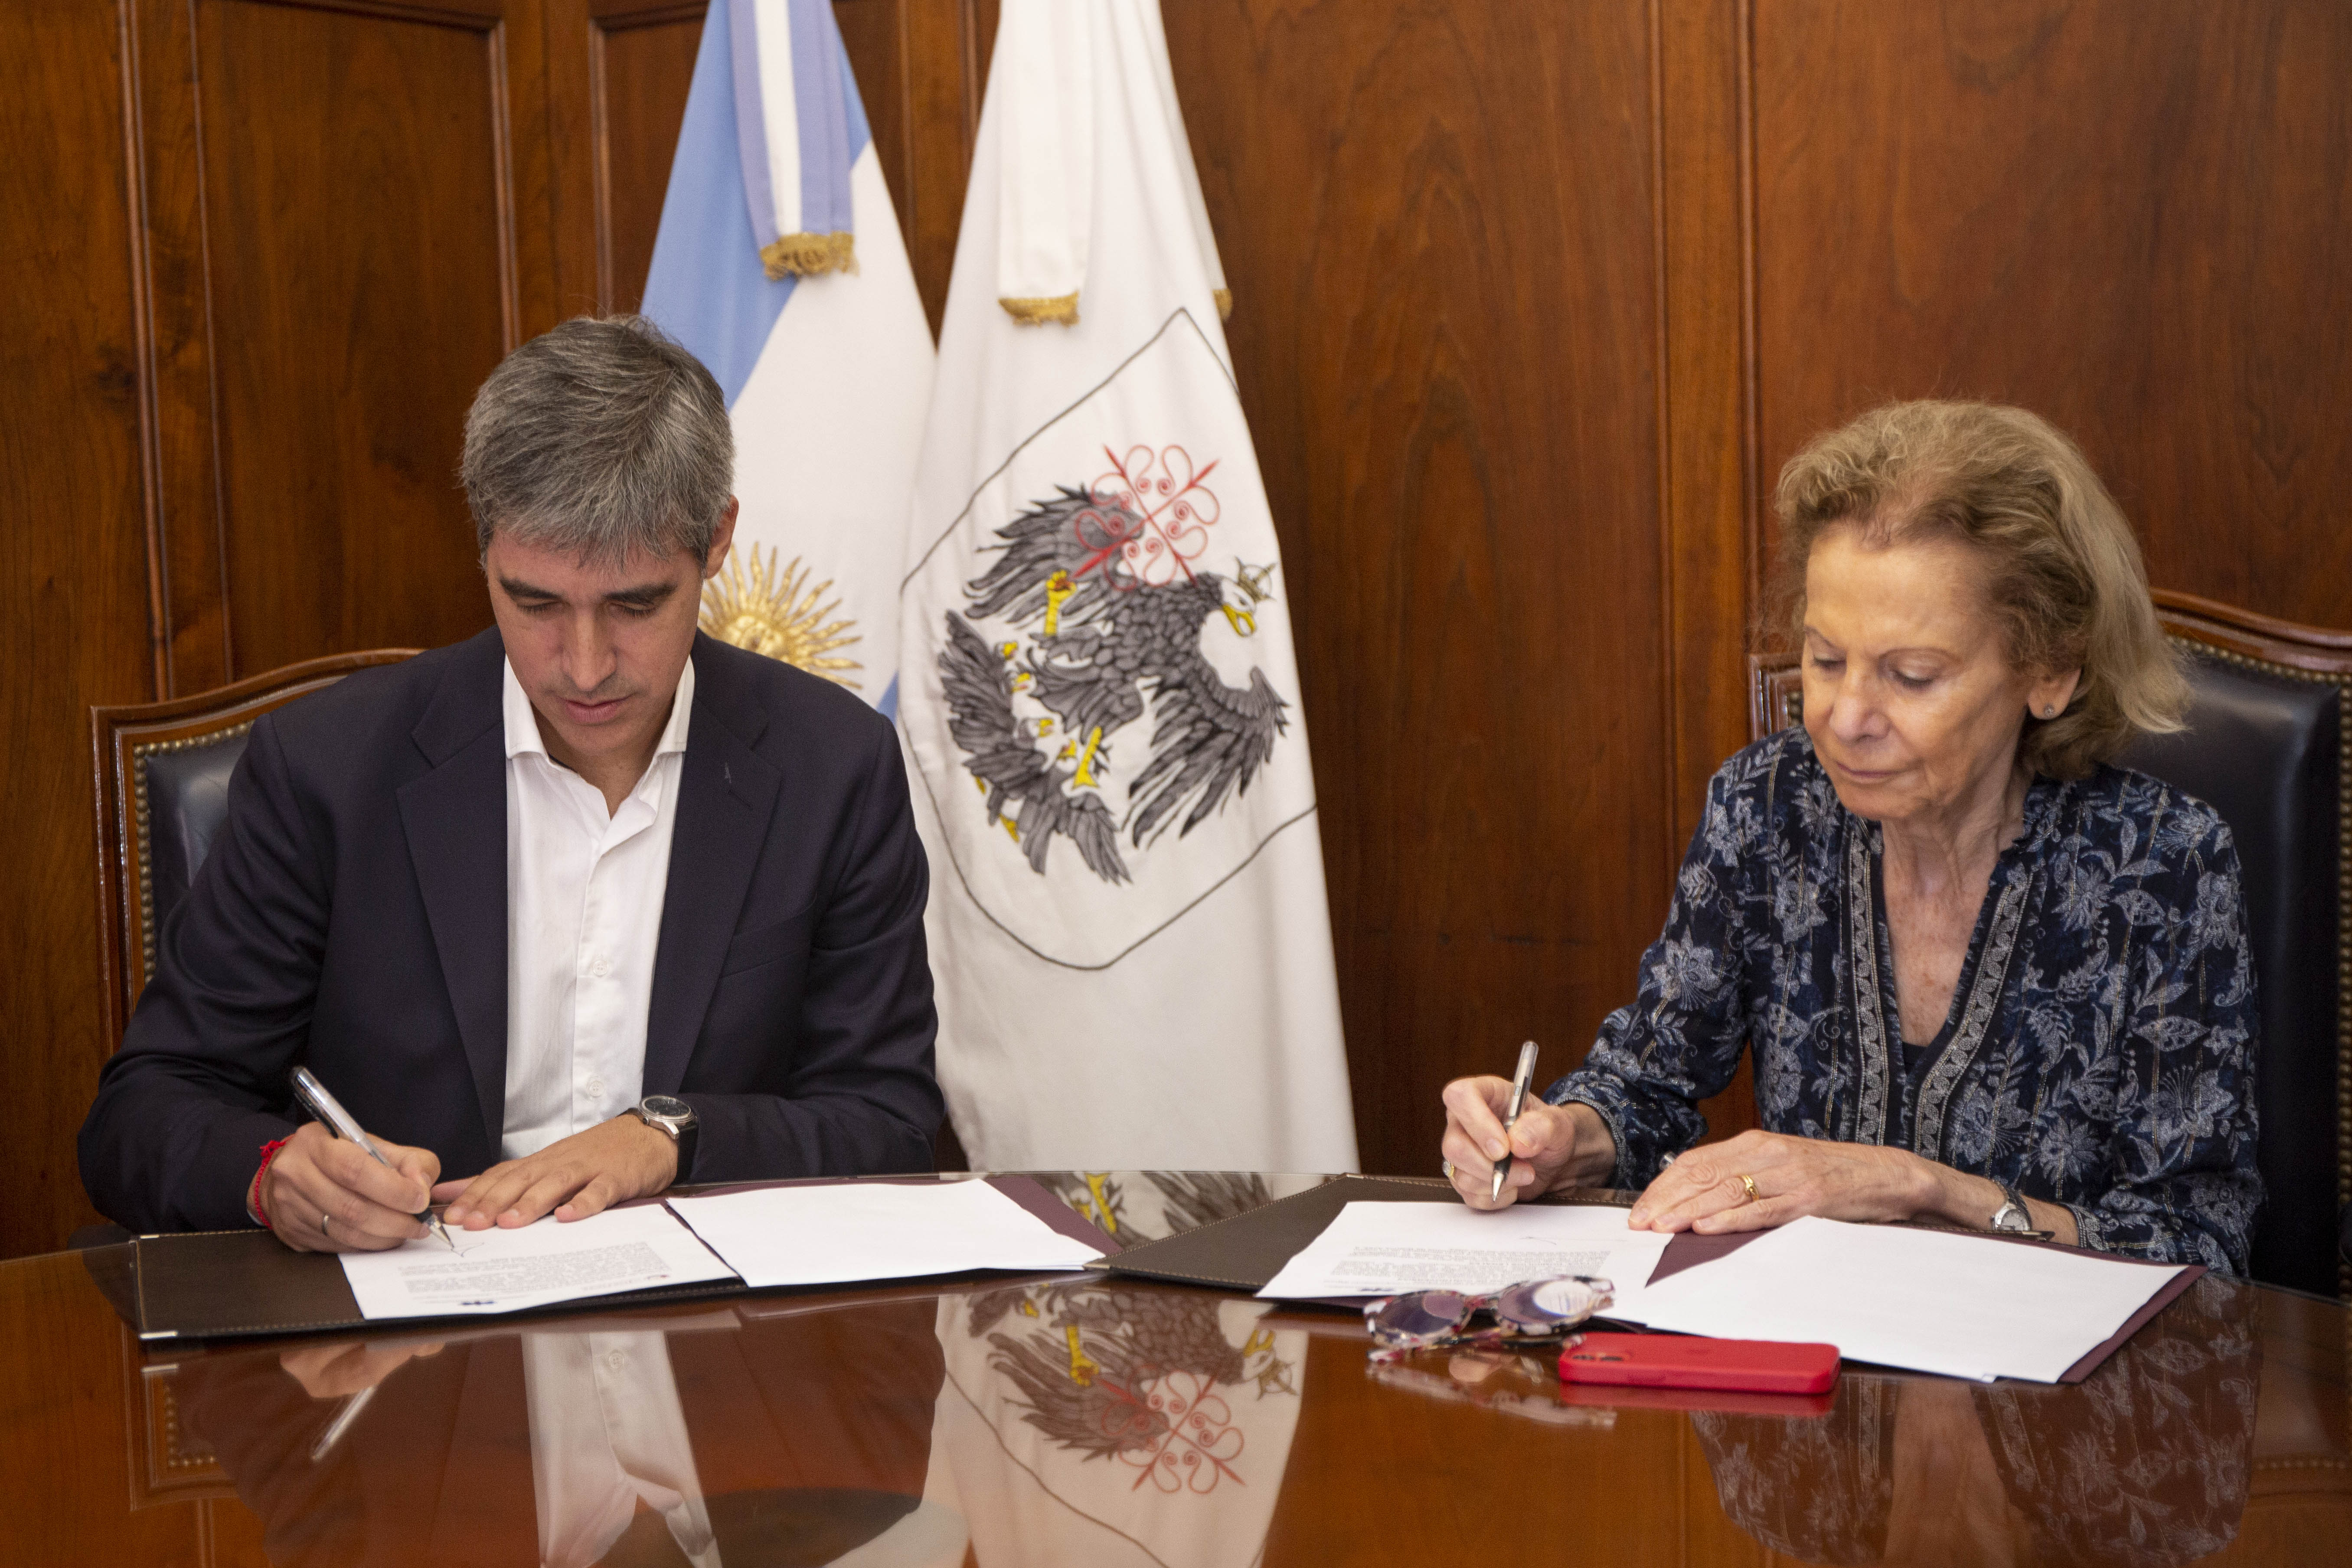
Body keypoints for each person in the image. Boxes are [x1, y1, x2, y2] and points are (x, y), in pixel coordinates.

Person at [80, 315, 942, 1248]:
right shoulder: (326, 769)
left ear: (719, 538)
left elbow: (888, 1122)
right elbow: (144, 1111)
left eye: (635, 604)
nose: (582, 664)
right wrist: (272, 1177)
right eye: (534, 603)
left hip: (714, 1348)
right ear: (485, 546)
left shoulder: (833, 767)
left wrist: (670, 1138)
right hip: (412, 1344)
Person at [1441, 399, 2261, 1271]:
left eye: (1911, 675)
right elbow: (1646, 1083)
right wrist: (1558, 1136)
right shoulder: (1767, 807)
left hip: (2048, 1394)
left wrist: (1922, 1186)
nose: (1844, 717)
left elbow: (2199, 1242)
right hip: (1804, 1368)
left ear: (2049, 672)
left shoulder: (2166, 864)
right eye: (1825, 659)